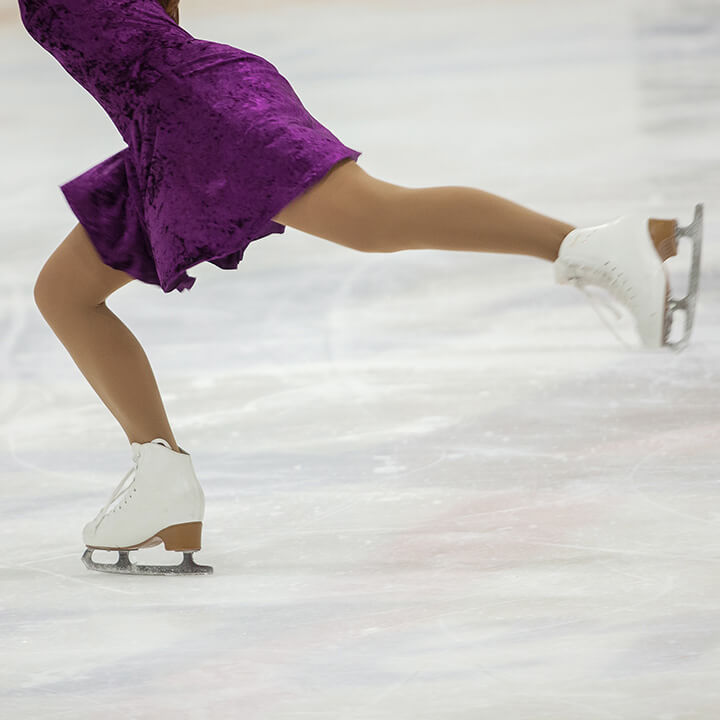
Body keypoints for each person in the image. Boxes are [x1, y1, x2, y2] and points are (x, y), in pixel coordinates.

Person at [19, 0, 698, 575]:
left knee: (377, 219)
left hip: (203, 112)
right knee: (67, 293)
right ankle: (160, 477)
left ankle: (602, 248)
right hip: (170, 125)